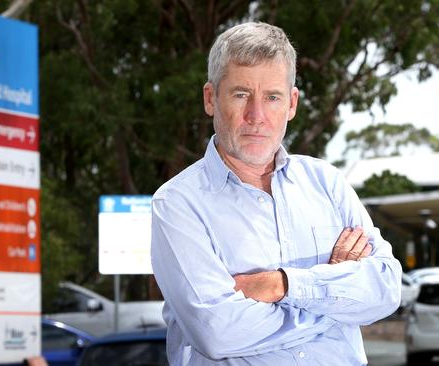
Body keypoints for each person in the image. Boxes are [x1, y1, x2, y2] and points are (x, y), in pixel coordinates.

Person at [151, 22, 401, 366]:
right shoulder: (178, 204)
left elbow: (386, 289)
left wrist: (281, 285)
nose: (257, 116)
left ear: (292, 103)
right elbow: (216, 332)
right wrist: (336, 301)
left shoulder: (327, 183)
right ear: (211, 98)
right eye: (241, 94)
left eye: (272, 97)